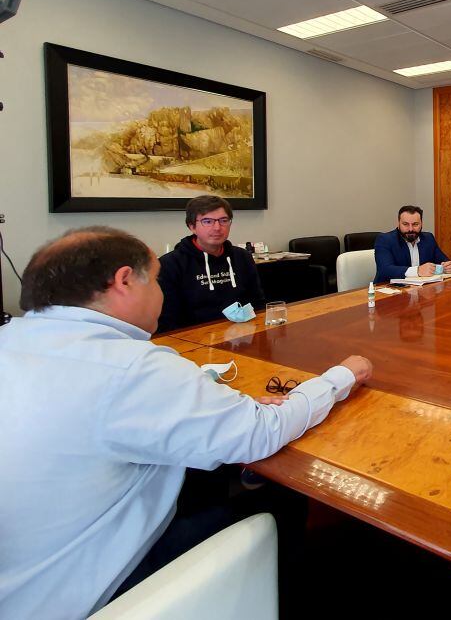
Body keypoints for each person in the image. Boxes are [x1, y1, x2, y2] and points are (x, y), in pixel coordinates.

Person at [0, 227, 374, 618]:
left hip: (20, 584)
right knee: (287, 494)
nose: (162, 291)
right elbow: (261, 434)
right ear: (125, 281)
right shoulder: (131, 366)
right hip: (92, 590)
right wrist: (340, 378)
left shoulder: (11, 340)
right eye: (157, 279)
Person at [157, 195, 265, 332]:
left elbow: (258, 303)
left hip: (241, 334)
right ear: (192, 226)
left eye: (223, 220)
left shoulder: (242, 257)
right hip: (194, 339)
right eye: (207, 221)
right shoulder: (170, 264)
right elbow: (168, 318)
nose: (217, 227)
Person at [373, 205, 451, 283]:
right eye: (405, 224)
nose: (410, 229)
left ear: (421, 223)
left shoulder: (428, 238)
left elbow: (443, 260)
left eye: (415, 224)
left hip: (421, 290)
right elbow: (385, 269)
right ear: (398, 223)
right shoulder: (385, 239)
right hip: (388, 290)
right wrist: (417, 271)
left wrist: (447, 266)